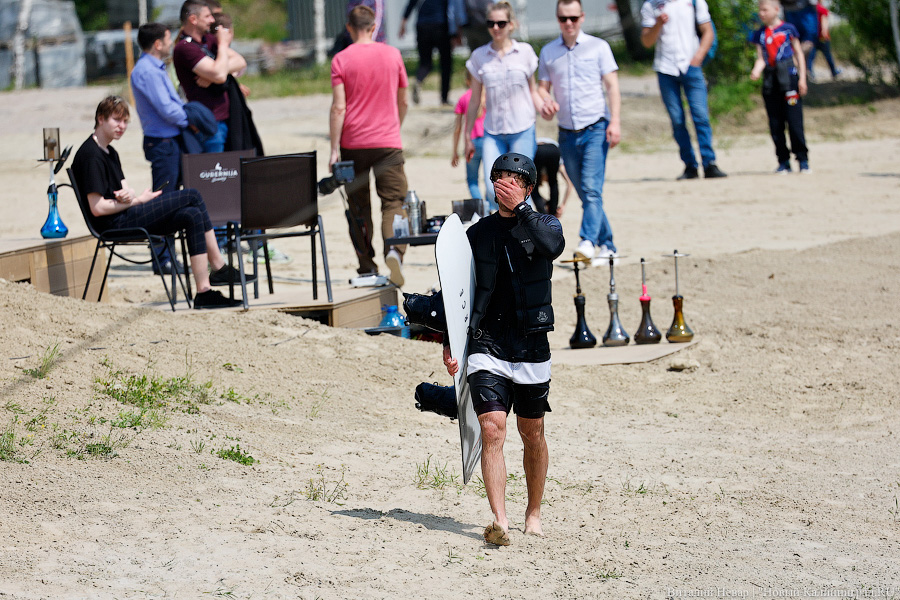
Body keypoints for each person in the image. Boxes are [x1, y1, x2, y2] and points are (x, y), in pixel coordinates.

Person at [443, 153, 565, 545]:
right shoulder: (478, 233)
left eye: (515, 179)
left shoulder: (546, 225)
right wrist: (450, 342)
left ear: (528, 188)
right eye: (500, 177)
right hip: (487, 343)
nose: (506, 183)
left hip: (531, 346)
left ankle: (533, 512)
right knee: (492, 428)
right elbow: (456, 293)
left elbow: (552, 246)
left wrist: (523, 210)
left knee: (532, 433)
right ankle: (500, 520)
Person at [71, 96, 253, 309]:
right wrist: (137, 200)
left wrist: (131, 196)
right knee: (192, 195)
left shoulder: (110, 151)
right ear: (101, 119)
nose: (122, 126)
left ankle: (204, 292)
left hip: (125, 214)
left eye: (125, 121)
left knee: (192, 215)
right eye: (116, 120)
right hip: (114, 224)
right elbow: (97, 208)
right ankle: (219, 265)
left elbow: (125, 189)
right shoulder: (91, 155)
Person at [330, 5, 410, 287]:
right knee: (394, 201)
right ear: (374, 27)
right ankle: (394, 251)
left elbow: (339, 108)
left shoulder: (341, 59)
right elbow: (404, 101)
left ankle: (366, 266)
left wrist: (334, 149)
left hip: (353, 143)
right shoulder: (393, 54)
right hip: (387, 141)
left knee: (358, 207)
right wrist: (394, 127)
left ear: (349, 28)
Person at [538, 0, 621, 264]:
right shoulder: (549, 51)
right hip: (566, 131)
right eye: (563, 18)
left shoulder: (599, 47)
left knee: (591, 189)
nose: (569, 23)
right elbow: (542, 88)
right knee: (586, 193)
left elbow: (612, 86)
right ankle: (608, 245)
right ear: (558, 19)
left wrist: (615, 121)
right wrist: (546, 103)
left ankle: (587, 241)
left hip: (596, 127)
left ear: (582, 17)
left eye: (573, 18)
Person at [464, 1, 543, 214]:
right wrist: (467, 137)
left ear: (511, 24)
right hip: (493, 131)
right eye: (491, 23)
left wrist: (544, 107)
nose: (496, 28)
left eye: (501, 23)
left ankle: (528, 228)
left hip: (522, 128)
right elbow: (474, 100)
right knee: (493, 188)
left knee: (519, 187)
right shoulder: (479, 56)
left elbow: (533, 91)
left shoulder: (525, 52)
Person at [640, 0, 727, 180]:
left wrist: (698, 58)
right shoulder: (650, 5)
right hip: (665, 68)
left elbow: (708, 31)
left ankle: (709, 163)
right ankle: (690, 165)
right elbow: (647, 41)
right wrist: (658, 24)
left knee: (701, 116)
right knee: (677, 120)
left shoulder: (694, 2)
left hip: (691, 66)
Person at [131, 22, 189, 276]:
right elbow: (167, 109)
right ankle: (162, 258)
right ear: (157, 44)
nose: (170, 44)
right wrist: (192, 119)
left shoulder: (156, 68)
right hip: (162, 143)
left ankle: (169, 256)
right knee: (163, 201)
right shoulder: (147, 71)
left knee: (171, 199)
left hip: (169, 141)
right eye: (167, 39)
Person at [173, 0, 246, 153]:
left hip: (227, 118)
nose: (212, 20)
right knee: (214, 166)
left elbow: (240, 62)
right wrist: (223, 46)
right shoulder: (185, 48)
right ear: (193, 19)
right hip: (208, 123)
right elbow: (219, 76)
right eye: (207, 16)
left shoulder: (209, 40)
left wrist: (213, 73)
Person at [750, 0, 809, 174]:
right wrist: (756, 71)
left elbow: (798, 54)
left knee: (794, 121)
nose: (761, 13)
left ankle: (803, 159)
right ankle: (783, 161)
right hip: (770, 80)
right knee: (775, 123)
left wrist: (802, 78)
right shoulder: (760, 34)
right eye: (760, 10)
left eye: (765, 10)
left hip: (789, 78)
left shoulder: (788, 29)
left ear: (776, 10)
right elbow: (761, 58)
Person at [399, 0, 467, 106]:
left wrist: (403, 23)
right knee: (446, 64)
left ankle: (418, 80)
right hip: (441, 26)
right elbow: (453, 9)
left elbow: (411, 4)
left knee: (425, 63)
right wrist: (457, 32)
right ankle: (444, 98)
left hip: (422, 26)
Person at [451, 69, 485, 201]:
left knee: (472, 180)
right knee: (492, 178)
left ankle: (482, 206)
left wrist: (455, 151)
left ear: (467, 81)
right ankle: (491, 205)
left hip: (472, 142)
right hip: (489, 141)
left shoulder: (463, 98)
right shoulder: (487, 96)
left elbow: (457, 129)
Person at [531, 138, 572, 218]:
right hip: (554, 150)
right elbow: (569, 183)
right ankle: (553, 215)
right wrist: (562, 205)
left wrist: (544, 205)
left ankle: (544, 216)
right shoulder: (560, 165)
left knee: (533, 187)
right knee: (553, 182)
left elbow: (531, 191)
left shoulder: (535, 168)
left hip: (538, 150)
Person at [807, 0, 842, 80]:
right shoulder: (822, 9)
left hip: (813, 37)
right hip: (822, 37)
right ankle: (834, 72)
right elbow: (824, 21)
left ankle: (810, 73)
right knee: (828, 56)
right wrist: (824, 32)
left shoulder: (812, 9)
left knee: (811, 57)